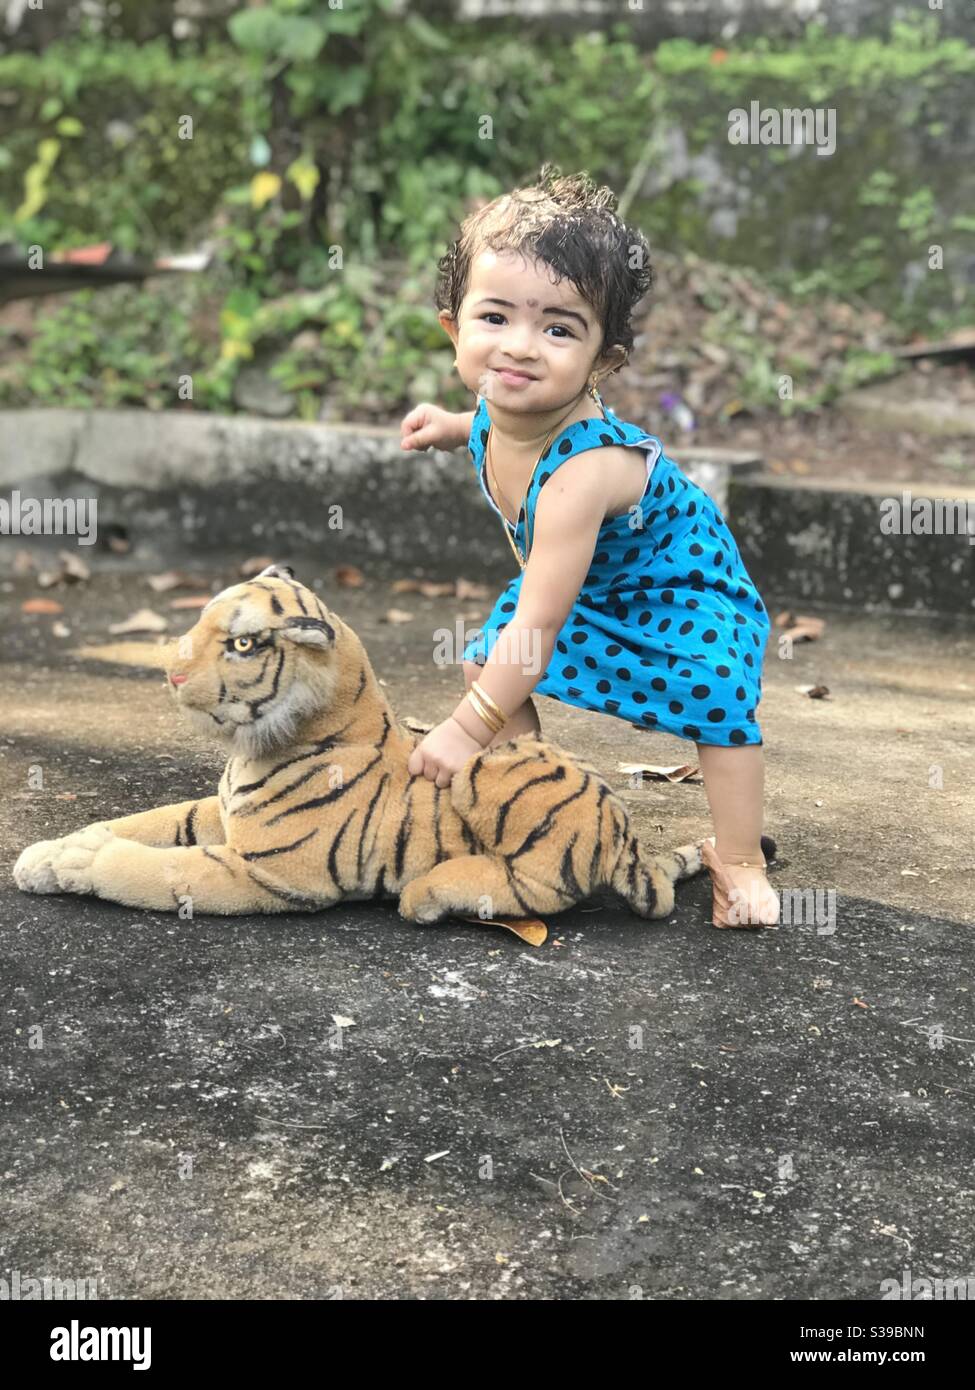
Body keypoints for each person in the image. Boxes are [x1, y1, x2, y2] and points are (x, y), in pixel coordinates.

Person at [400, 164, 779, 927]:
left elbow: (537, 633)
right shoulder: (503, 404)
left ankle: (738, 858)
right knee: (484, 656)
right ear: (454, 327)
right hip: (596, 588)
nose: (519, 348)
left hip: (681, 590)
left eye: (558, 329)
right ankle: (537, 805)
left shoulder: (580, 471)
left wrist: (463, 728)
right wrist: (448, 429)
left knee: (717, 700)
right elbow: (489, 422)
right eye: (494, 318)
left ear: (601, 360)